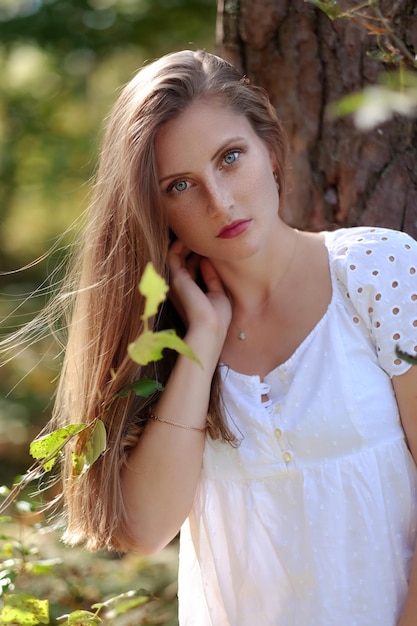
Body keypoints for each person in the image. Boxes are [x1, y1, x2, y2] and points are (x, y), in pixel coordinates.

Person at [17, 50, 417, 625]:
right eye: (180, 185)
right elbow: (146, 529)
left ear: (270, 150)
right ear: (154, 208)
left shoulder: (379, 270)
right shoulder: (167, 338)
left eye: (230, 158)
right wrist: (202, 342)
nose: (219, 200)